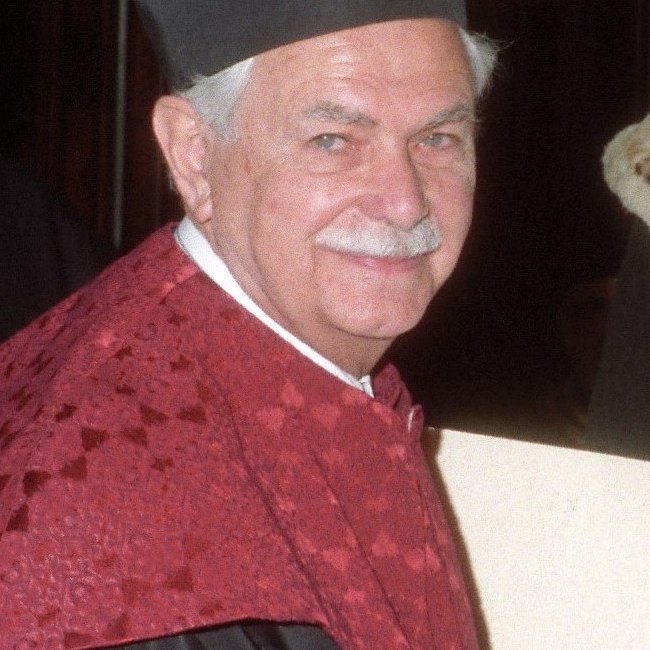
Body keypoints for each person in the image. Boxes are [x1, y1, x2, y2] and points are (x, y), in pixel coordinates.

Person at [0, 2, 497, 648]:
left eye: (437, 139)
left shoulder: (314, 368)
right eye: (332, 141)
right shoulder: (104, 511)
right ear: (194, 155)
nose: (405, 202)